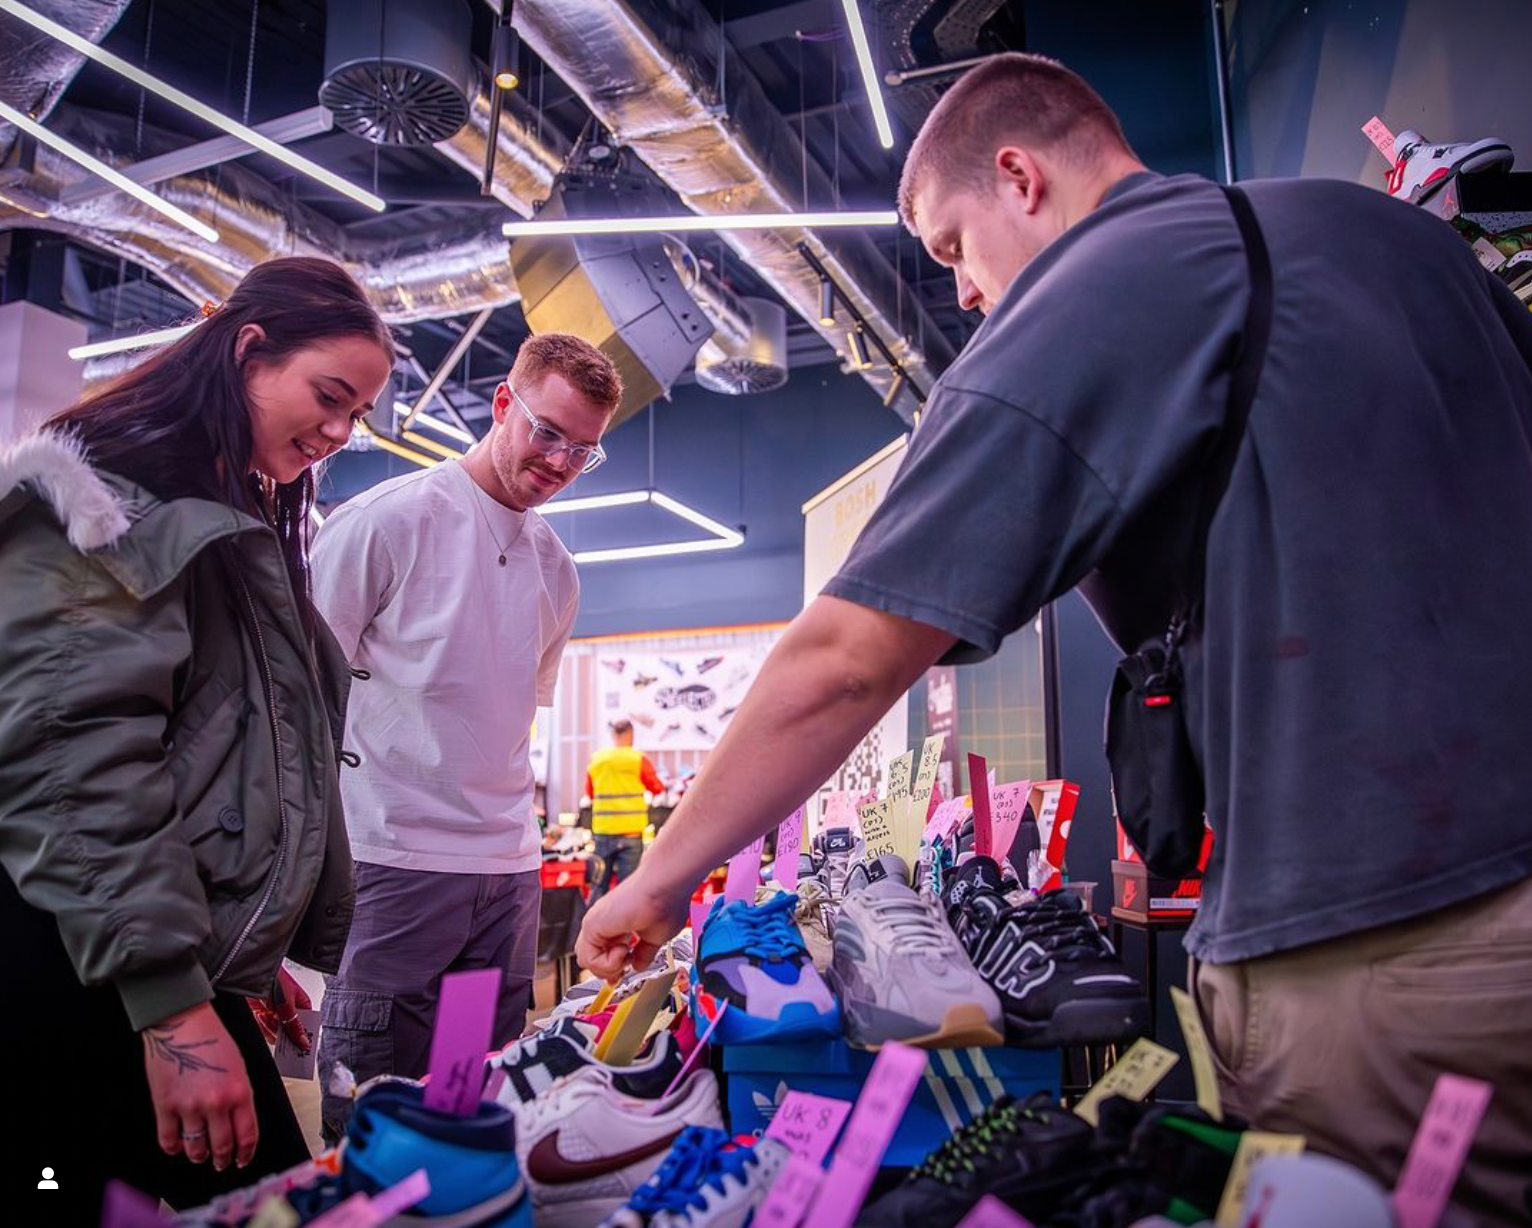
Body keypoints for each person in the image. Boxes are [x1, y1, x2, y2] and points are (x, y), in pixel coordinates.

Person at [577, 53, 1532, 1223]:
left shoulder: (1095, 289)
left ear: (1018, 176)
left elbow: (847, 657)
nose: (966, 295)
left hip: (1382, 940)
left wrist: (659, 882)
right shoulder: (1399, 240)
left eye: (948, 249)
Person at [0, 257, 394, 1218]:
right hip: (81, 963)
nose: (340, 433)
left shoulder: (221, 514)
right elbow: (72, 767)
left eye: (358, 417)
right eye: (329, 397)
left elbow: (218, 750)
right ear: (249, 350)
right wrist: (176, 1004)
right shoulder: (101, 506)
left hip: (143, 951)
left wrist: (238, 943)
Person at [312, 333, 622, 1139]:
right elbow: (299, 702)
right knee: (373, 1119)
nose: (558, 461)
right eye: (547, 431)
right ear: (501, 405)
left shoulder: (558, 569)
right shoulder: (386, 522)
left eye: (582, 450)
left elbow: (504, 723)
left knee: (470, 1110)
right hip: (393, 867)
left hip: (506, 880)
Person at [584, 718, 667, 903]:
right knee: (629, 890)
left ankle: (594, 930)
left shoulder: (597, 760)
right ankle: (625, 932)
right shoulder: (638, 759)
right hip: (630, 835)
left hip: (603, 832)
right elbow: (657, 787)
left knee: (598, 887)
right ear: (631, 735)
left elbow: (589, 793)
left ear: (614, 735)